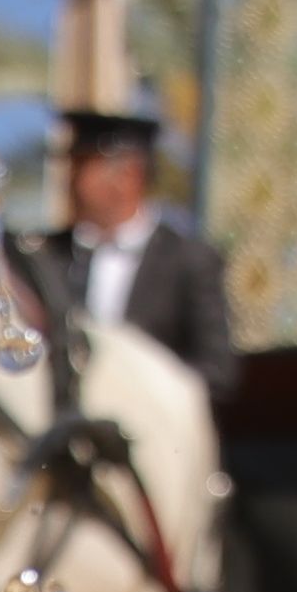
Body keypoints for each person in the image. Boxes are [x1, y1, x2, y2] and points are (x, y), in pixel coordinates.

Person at [35, 102, 240, 413]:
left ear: (128, 176)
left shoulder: (188, 261)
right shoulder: (47, 255)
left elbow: (217, 371)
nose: (70, 182)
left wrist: (139, 396)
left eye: (82, 167)